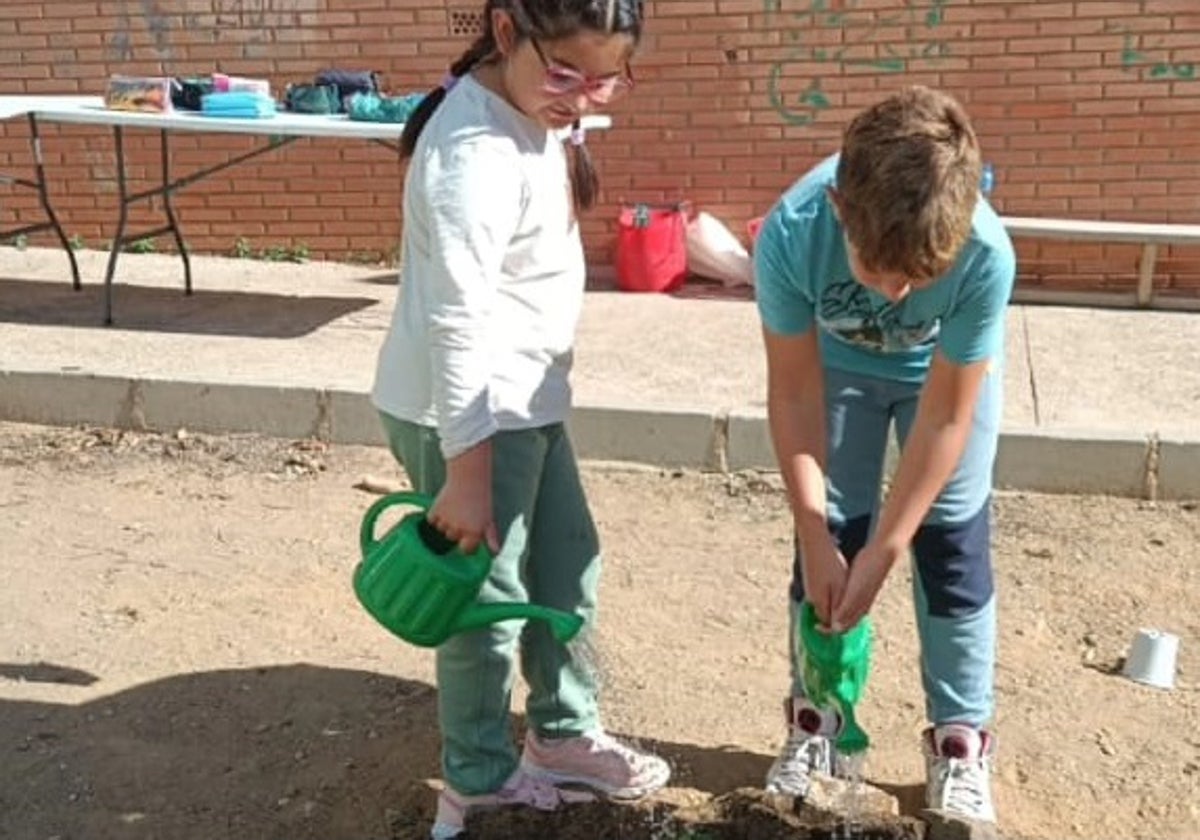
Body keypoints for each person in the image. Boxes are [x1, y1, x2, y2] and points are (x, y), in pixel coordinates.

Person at [369, 1, 669, 837]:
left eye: (606, 78)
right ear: (507, 34)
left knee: (567, 564)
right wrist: (467, 477)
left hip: (523, 403)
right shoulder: (471, 154)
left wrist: (566, 94)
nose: (583, 98)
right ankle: (476, 783)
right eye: (567, 74)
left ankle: (562, 736)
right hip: (467, 417)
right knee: (485, 607)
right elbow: (457, 320)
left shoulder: (533, 108)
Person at [752, 85, 1016, 824]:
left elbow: (946, 418)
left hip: (940, 385)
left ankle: (960, 741)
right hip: (836, 378)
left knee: (953, 545)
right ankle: (819, 721)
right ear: (840, 208)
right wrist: (817, 532)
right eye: (878, 273)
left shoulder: (987, 253)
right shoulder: (792, 232)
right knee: (829, 542)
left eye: (919, 279)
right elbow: (796, 394)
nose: (899, 296)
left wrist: (888, 549)